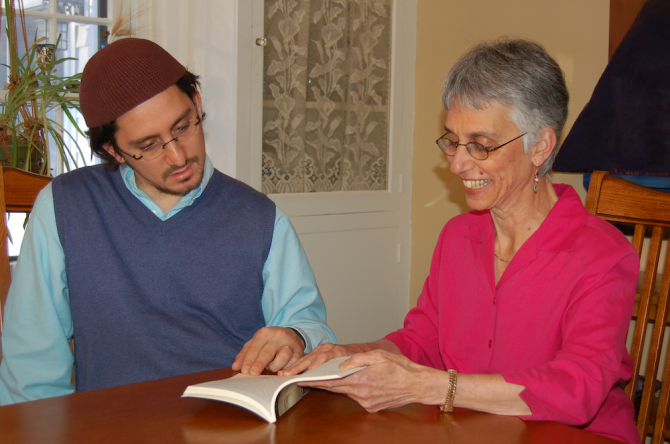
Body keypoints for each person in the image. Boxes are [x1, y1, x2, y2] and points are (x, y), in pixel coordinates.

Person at [282, 38, 640, 444]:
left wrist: (431, 387)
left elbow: (577, 390)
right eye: (452, 140)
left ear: (540, 146)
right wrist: (349, 355)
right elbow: (421, 342)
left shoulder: (603, 255)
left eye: (481, 146)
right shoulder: (458, 237)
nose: (457, 163)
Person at [0, 38, 336, 404]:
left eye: (183, 127)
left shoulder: (261, 219)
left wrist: (295, 336)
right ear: (114, 150)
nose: (178, 156)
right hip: (109, 428)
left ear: (197, 101)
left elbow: (310, 327)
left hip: (228, 423)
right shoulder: (66, 207)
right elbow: (32, 363)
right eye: (148, 146)